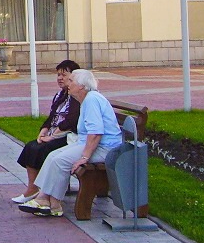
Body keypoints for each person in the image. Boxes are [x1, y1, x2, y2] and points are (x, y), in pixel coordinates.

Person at [18, 68, 122, 218]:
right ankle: (48, 201)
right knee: (52, 156)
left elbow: (96, 133)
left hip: (105, 148)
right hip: (91, 144)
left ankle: (48, 201)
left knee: (60, 161)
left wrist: (84, 158)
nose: (68, 83)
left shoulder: (91, 100)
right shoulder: (86, 99)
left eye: (71, 80)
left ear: (81, 86)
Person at [11, 59, 81, 204]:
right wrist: (43, 130)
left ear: (74, 77)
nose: (60, 78)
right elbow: (51, 117)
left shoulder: (76, 96)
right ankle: (33, 188)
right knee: (31, 146)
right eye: (58, 75)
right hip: (55, 134)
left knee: (42, 150)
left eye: (64, 75)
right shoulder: (61, 95)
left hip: (70, 137)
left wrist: (52, 136)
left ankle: (43, 192)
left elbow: (72, 121)